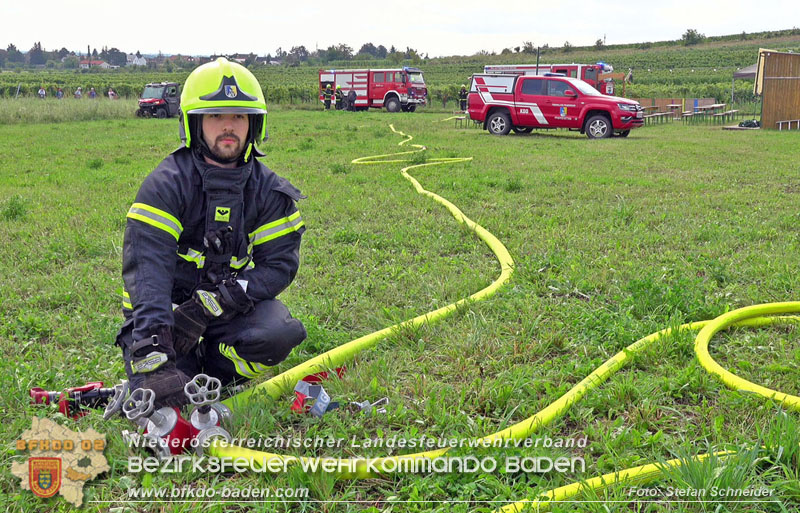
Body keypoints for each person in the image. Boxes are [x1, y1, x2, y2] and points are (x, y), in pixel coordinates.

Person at [116, 57, 307, 407]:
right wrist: (154, 354)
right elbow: (148, 273)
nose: (228, 127)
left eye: (238, 116)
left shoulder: (268, 191)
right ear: (194, 123)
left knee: (280, 333)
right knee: (166, 396)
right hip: (164, 315)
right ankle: (176, 370)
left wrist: (216, 303)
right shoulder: (165, 186)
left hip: (226, 310)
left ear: (254, 124)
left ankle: (217, 376)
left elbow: (277, 265)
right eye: (216, 116)